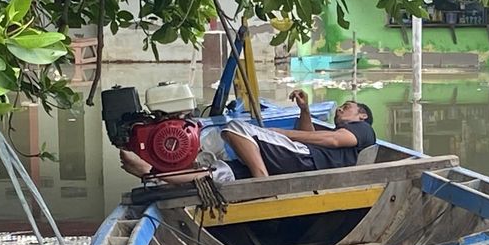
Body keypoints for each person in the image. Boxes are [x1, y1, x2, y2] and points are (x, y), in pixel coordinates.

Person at [120, 92, 376, 182]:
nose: (342, 108)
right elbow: (310, 137)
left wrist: (282, 132)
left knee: (235, 127)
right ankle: (153, 173)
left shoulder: (363, 130)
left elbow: (329, 141)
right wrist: (304, 110)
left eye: (348, 106)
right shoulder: (339, 133)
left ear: (362, 116)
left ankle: (261, 180)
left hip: (306, 163)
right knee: (216, 172)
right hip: (301, 161)